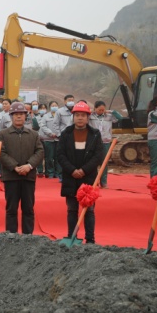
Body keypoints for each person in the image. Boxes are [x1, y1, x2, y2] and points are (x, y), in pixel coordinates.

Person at [56, 101, 104, 244]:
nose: (80, 118)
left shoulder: (95, 134)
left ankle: (90, 239)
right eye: (77, 115)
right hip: (70, 178)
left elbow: (98, 155)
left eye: (83, 115)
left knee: (89, 210)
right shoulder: (66, 134)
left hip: (88, 178)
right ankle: (72, 237)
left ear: (88, 117)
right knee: (72, 210)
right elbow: (60, 155)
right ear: (73, 117)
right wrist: (72, 170)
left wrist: (83, 170)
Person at [0, 102, 44, 235]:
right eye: (16, 115)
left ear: (26, 116)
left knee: (28, 208)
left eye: (21, 114)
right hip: (11, 177)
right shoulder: (3, 134)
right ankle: (11, 236)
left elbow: (40, 152)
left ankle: (28, 237)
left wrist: (29, 166)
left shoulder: (33, 134)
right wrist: (15, 167)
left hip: (28, 176)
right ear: (11, 116)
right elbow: (1, 153)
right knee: (11, 209)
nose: (19, 117)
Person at [89, 100, 123, 187]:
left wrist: (112, 111)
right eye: (99, 109)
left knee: (104, 162)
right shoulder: (90, 116)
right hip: (94, 142)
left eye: (103, 110)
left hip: (105, 142)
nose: (101, 111)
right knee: (93, 162)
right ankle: (94, 181)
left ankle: (103, 182)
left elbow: (121, 118)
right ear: (95, 108)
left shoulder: (109, 116)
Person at [53, 94, 75, 181]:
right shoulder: (59, 111)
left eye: (72, 100)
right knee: (63, 157)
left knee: (73, 157)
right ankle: (61, 176)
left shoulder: (76, 110)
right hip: (63, 137)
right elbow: (55, 124)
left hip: (74, 137)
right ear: (65, 101)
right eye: (69, 100)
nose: (71, 102)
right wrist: (59, 135)